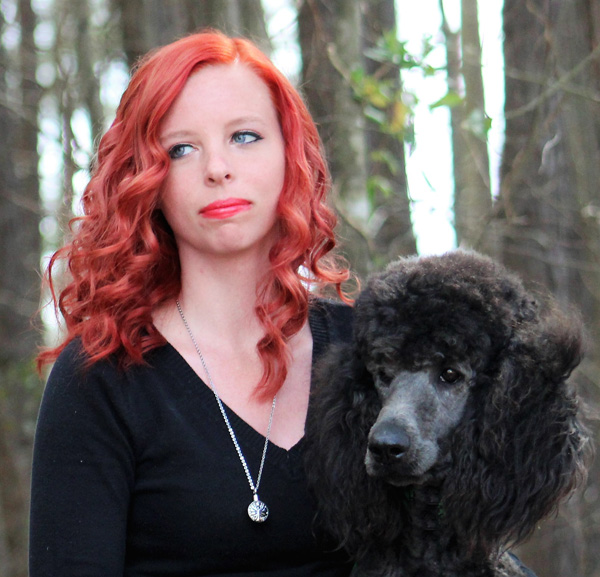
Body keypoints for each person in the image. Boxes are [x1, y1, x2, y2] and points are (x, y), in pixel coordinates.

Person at [30, 30, 354, 577]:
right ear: (146, 181)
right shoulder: (103, 378)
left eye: (245, 136)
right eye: (181, 148)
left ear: (290, 153)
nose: (217, 168)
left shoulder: (370, 349)